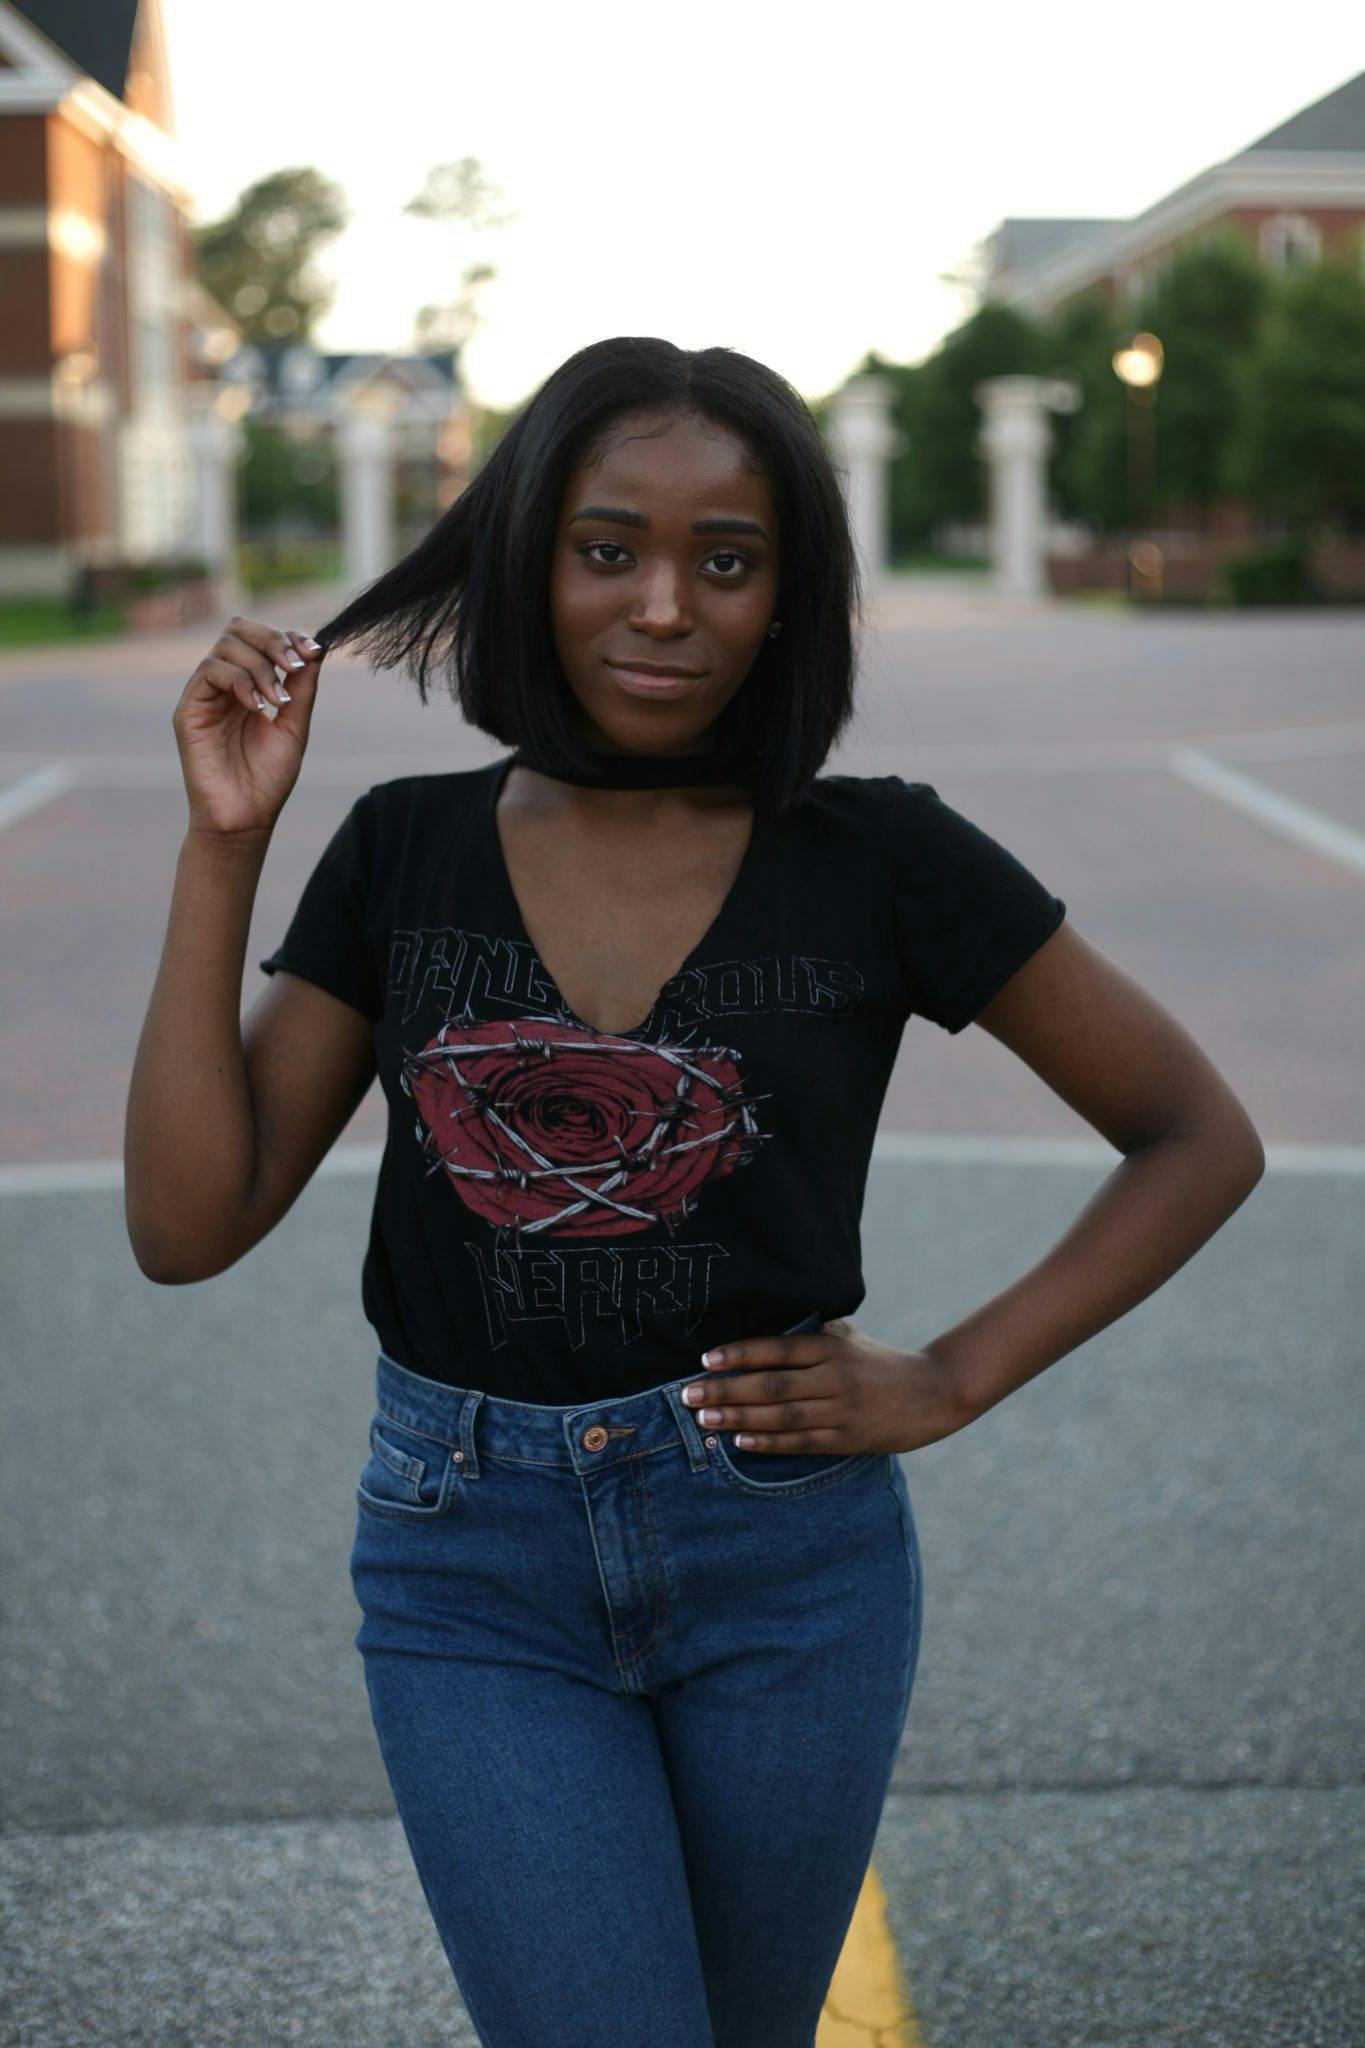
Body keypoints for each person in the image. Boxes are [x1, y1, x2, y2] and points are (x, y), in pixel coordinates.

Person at [124, 336, 1265, 2048]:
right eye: (609, 549)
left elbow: (1195, 1133)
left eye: (725, 561)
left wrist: (954, 1375)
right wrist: (225, 844)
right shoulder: (401, 850)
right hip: (470, 1567)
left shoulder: (880, 855)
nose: (664, 604)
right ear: (531, 560)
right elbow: (184, 1227)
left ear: (788, 596)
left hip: (787, 1563)